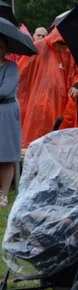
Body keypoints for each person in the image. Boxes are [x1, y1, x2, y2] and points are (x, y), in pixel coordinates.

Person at [17, 27, 78, 149]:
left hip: (59, 104)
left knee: (56, 139)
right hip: (37, 105)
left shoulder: (68, 52)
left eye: (63, 45)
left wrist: (77, 85)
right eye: (58, 44)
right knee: (35, 137)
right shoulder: (39, 47)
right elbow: (23, 71)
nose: (60, 48)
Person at [0, 35, 21, 207]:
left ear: (6, 48)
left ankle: (4, 195)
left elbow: (5, 91)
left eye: (0, 46)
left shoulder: (12, 67)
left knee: (6, 155)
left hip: (6, 112)